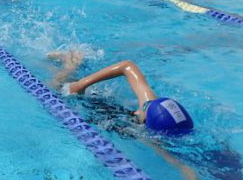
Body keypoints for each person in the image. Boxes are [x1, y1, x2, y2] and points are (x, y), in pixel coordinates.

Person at [52, 53, 193, 134]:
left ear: (147, 122)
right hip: (87, 100)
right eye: (146, 105)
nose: (143, 105)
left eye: (144, 108)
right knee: (56, 86)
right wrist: (81, 84)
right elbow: (127, 66)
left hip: (94, 111)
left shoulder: (143, 131)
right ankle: (70, 65)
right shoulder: (152, 105)